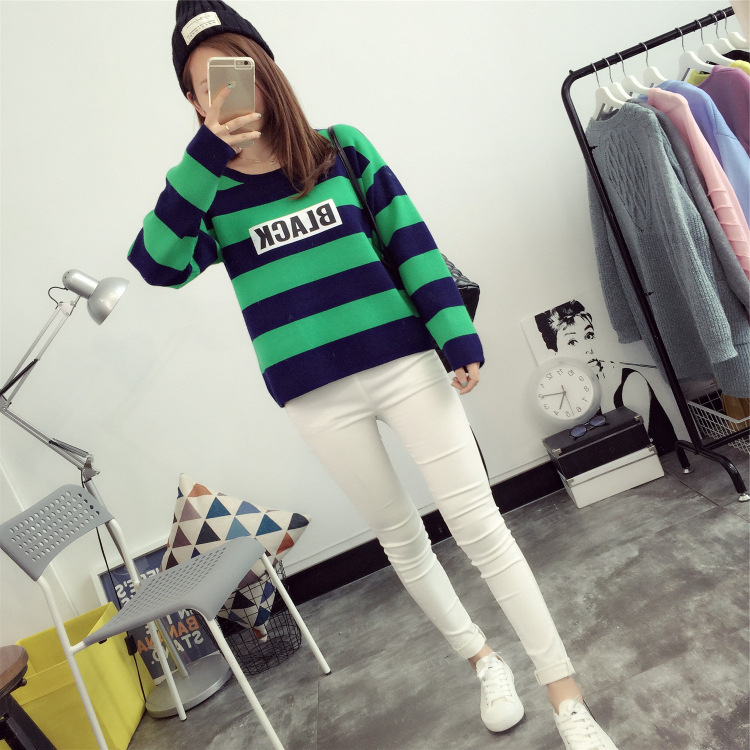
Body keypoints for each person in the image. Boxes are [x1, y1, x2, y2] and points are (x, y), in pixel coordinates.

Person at [128, 2, 620, 747]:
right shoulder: (209, 195)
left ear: (263, 71)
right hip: (315, 398)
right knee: (401, 540)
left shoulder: (341, 149)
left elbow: (409, 241)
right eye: (202, 85)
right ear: (194, 104)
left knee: (479, 524)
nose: (219, 91)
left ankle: (564, 694)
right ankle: (483, 661)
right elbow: (156, 265)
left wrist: (453, 333)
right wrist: (201, 160)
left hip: (404, 366)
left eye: (230, 70)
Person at [535, 300, 678, 454]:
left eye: (589, 335)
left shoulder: (630, 380)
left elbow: (632, 445)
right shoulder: (573, 397)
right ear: (556, 355)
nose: (588, 348)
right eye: (572, 342)